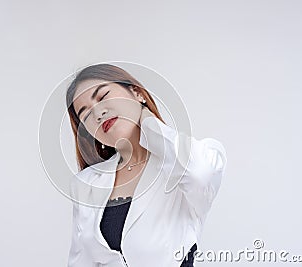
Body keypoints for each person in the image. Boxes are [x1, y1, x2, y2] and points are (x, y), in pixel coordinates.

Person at [65, 63, 227, 266]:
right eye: (85, 114)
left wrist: (148, 122)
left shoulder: (186, 161)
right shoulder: (85, 184)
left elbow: (199, 173)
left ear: (137, 92)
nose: (97, 113)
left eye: (103, 96)